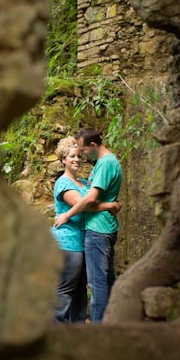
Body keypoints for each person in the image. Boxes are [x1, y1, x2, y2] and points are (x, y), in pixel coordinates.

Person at [53, 128, 123, 323]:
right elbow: (85, 205)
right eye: (72, 156)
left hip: (81, 243)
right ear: (63, 160)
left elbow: (90, 200)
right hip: (67, 242)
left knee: (80, 294)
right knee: (65, 292)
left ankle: (76, 336)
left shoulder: (84, 182)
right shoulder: (64, 183)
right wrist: (109, 205)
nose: (77, 159)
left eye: (78, 155)